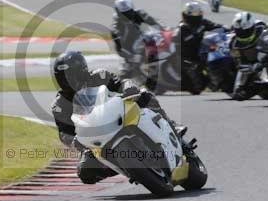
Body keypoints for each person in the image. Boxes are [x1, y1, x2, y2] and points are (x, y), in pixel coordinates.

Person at [51, 51, 186, 184]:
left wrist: (129, 87)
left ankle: (172, 127)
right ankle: (127, 168)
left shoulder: (99, 76)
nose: (68, 80)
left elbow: (122, 82)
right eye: (63, 77)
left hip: (120, 115)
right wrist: (74, 141)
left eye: (71, 75)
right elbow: (64, 133)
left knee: (145, 95)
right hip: (94, 139)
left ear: (82, 70)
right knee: (85, 172)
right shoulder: (60, 105)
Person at [173, 2, 225, 93]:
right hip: (186, 58)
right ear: (186, 15)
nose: (196, 16)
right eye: (194, 14)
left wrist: (228, 29)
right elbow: (187, 42)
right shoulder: (181, 29)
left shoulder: (202, 23)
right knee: (197, 87)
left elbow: (216, 26)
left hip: (201, 53)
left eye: (198, 14)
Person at [229, 12, 268, 101]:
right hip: (253, 64)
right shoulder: (234, 43)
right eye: (240, 31)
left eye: (246, 30)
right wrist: (248, 67)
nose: (243, 33)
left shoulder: (260, 25)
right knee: (238, 94)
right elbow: (238, 62)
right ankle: (262, 87)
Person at [111, 0, 163, 80]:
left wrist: (164, 30)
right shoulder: (116, 24)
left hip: (140, 37)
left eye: (129, 12)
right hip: (127, 47)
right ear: (118, 12)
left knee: (156, 39)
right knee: (126, 74)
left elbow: (153, 22)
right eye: (124, 13)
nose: (128, 15)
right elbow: (119, 47)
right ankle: (128, 67)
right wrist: (129, 56)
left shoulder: (139, 13)